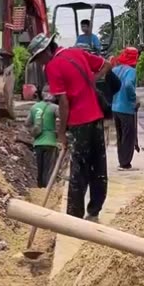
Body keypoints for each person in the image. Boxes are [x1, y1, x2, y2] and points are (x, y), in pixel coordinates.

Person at [29, 33, 113, 221]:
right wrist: (93, 79)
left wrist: (61, 134)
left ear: (46, 51)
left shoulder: (52, 66)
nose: (40, 63)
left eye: (39, 58)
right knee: (99, 166)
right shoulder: (78, 52)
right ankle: (94, 211)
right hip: (96, 118)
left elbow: (64, 103)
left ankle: (74, 217)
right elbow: (106, 64)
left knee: (79, 170)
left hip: (79, 122)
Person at [111, 47, 141, 170]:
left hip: (115, 108)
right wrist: (134, 99)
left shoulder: (115, 70)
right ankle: (125, 164)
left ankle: (121, 161)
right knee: (128, 136)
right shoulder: (131, 71)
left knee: (120, 135)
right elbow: (128, 85)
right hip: (126, 108)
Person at [24, 86, 59, 188]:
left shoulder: (34, 107)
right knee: (48, 169)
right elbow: (64, 119)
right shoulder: (54, 108)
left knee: (39, 168)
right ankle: (46, 190)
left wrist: (34, 130)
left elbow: (27, 123)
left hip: (38, 143)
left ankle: (39, 188)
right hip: (50, 142)